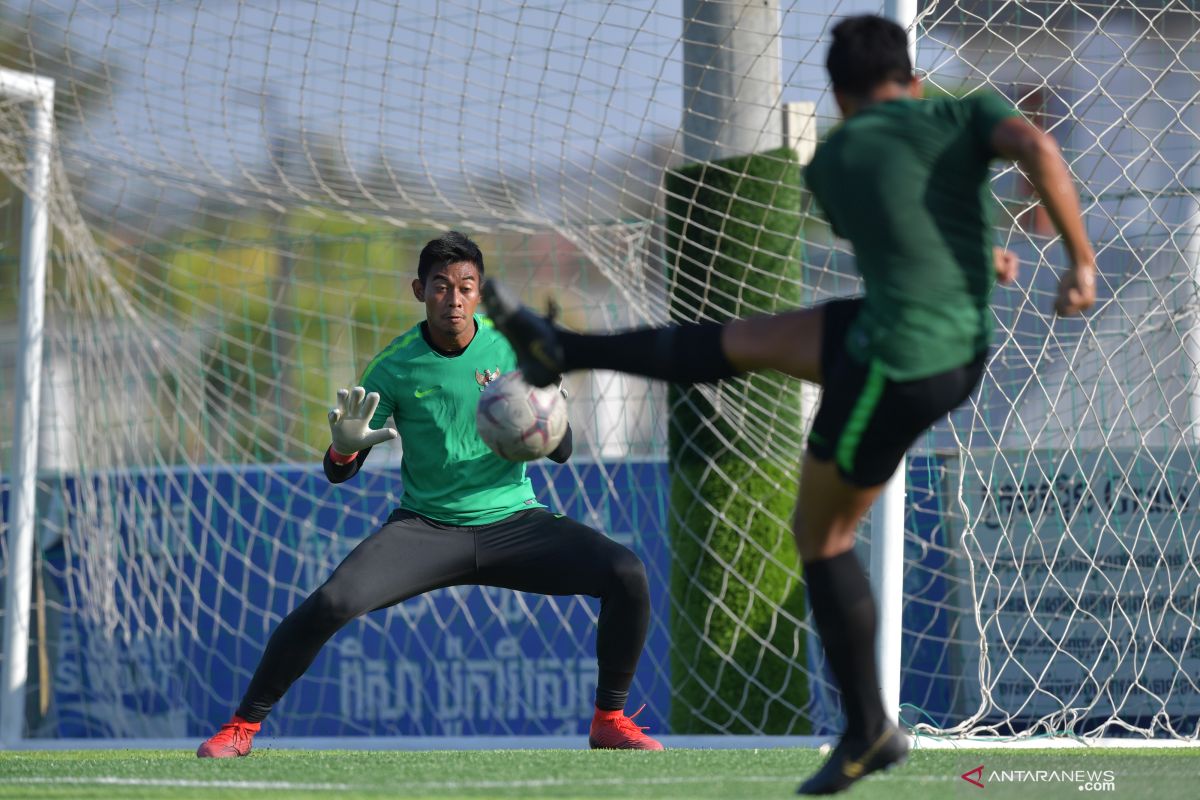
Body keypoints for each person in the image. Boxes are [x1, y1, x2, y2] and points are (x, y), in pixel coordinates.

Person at [481, 14, 1095, 795]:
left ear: (839, 96)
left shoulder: (838, 158)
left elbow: (889, 227)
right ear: (909, 77)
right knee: (747, 341)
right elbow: (1033, 150)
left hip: (900, 361)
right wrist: (1077, 262)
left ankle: (869, 729)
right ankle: (564, 350)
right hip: (950, 344)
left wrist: (970, 255)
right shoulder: (963, 108)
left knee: (821, 533)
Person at [197, 231, 663, 757]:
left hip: (514, 522)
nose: (454, 298)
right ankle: (241, 727)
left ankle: (609, 720)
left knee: (626, 573)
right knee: (332, 601)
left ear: (480, 293)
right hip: (427, 528)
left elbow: (561, 453)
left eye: (466, 286)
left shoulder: (511, 348)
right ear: (420, 290)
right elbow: (339, 472)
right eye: (441, 286)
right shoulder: (393, 366)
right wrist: (344, 448)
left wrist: (549, 411)